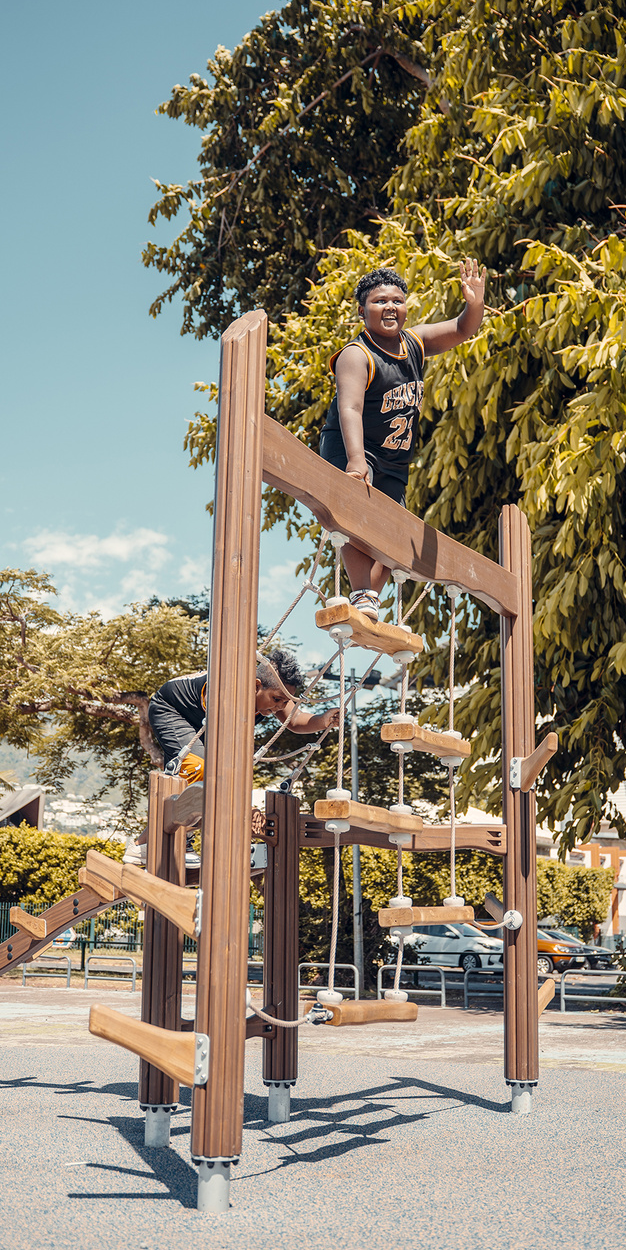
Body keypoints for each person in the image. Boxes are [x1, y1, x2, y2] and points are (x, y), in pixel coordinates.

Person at [319, 260, 486, 618]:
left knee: (392, 534)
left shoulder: (415, 343)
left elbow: (461, 329)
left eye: (397, 300)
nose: (390, 307)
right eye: (380, 301)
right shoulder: (356, 354)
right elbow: (349, 407)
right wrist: (356, 461)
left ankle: (367, 600)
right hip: (353, 445)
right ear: (363, 311)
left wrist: (474, 303)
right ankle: (363, 591)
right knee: (353, 514)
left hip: (395, 457)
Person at [124, 648, 339, 867]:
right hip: (173, 711)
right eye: (276, 699)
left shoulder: (274, 697)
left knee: (215, 782)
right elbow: (228, 754)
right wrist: (245, 810)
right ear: (256, 685)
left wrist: (323, 720)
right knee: (201, 770)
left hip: (206, 724)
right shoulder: (230, 690)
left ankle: (156, 843)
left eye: (284, 702)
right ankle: (155, 844)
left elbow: (294, 720)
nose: (279, 707)